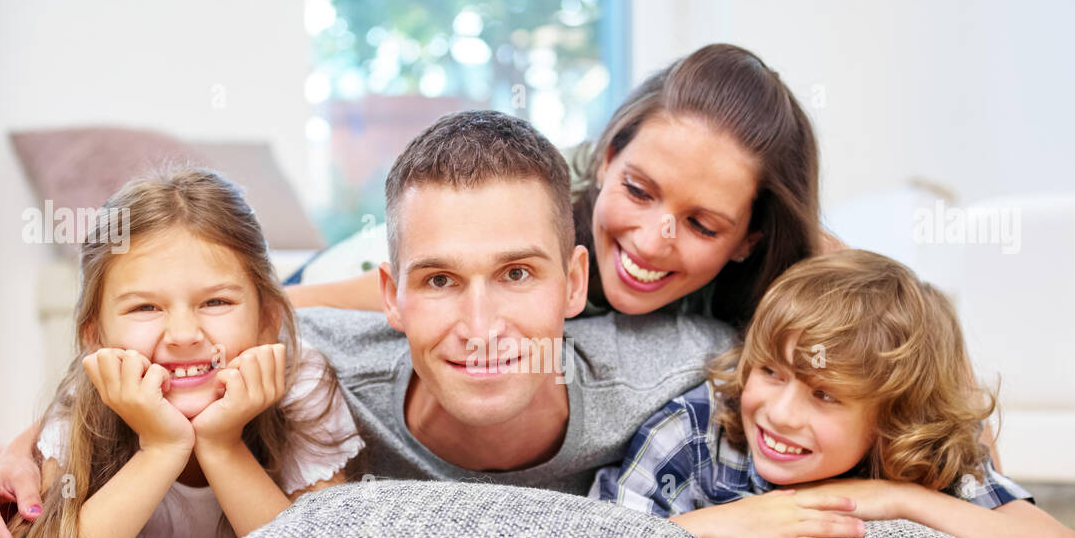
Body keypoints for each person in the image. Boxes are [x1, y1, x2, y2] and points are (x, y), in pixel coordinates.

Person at [0, 112, 735, 538]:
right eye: (438, 281)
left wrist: (719, 525)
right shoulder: (308, 360)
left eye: (518, 274)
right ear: (391, 296)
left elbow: (833, 349)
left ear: (575, 281)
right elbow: (148, 356)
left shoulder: (671, 366)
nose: (479, 325)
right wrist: (19, 452)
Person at [0, 167, 363, 538]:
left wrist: (222, 443)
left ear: (268, 318)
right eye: (145, 307)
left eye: (216, 302)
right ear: (96, 337)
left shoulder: (300, 381)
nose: (183, 334)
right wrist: (162, 448)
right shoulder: (86, 398)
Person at [594, 250, 1075, 538]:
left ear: (891, 418)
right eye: (770, 372)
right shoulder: (695, 431)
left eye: (824, 395)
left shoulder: (918, 451)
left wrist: (903, 499)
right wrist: (716, 527)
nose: (779, 413)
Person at [286, 43, 842, 330]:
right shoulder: (545, 200)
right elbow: (430, 276)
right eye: (640, 192)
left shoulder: (786, 262)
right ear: (607, 158)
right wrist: (274, 304)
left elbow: (897, 327)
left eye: (701, 224)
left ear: (752, 238)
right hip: (340, 269)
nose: (651, 240)